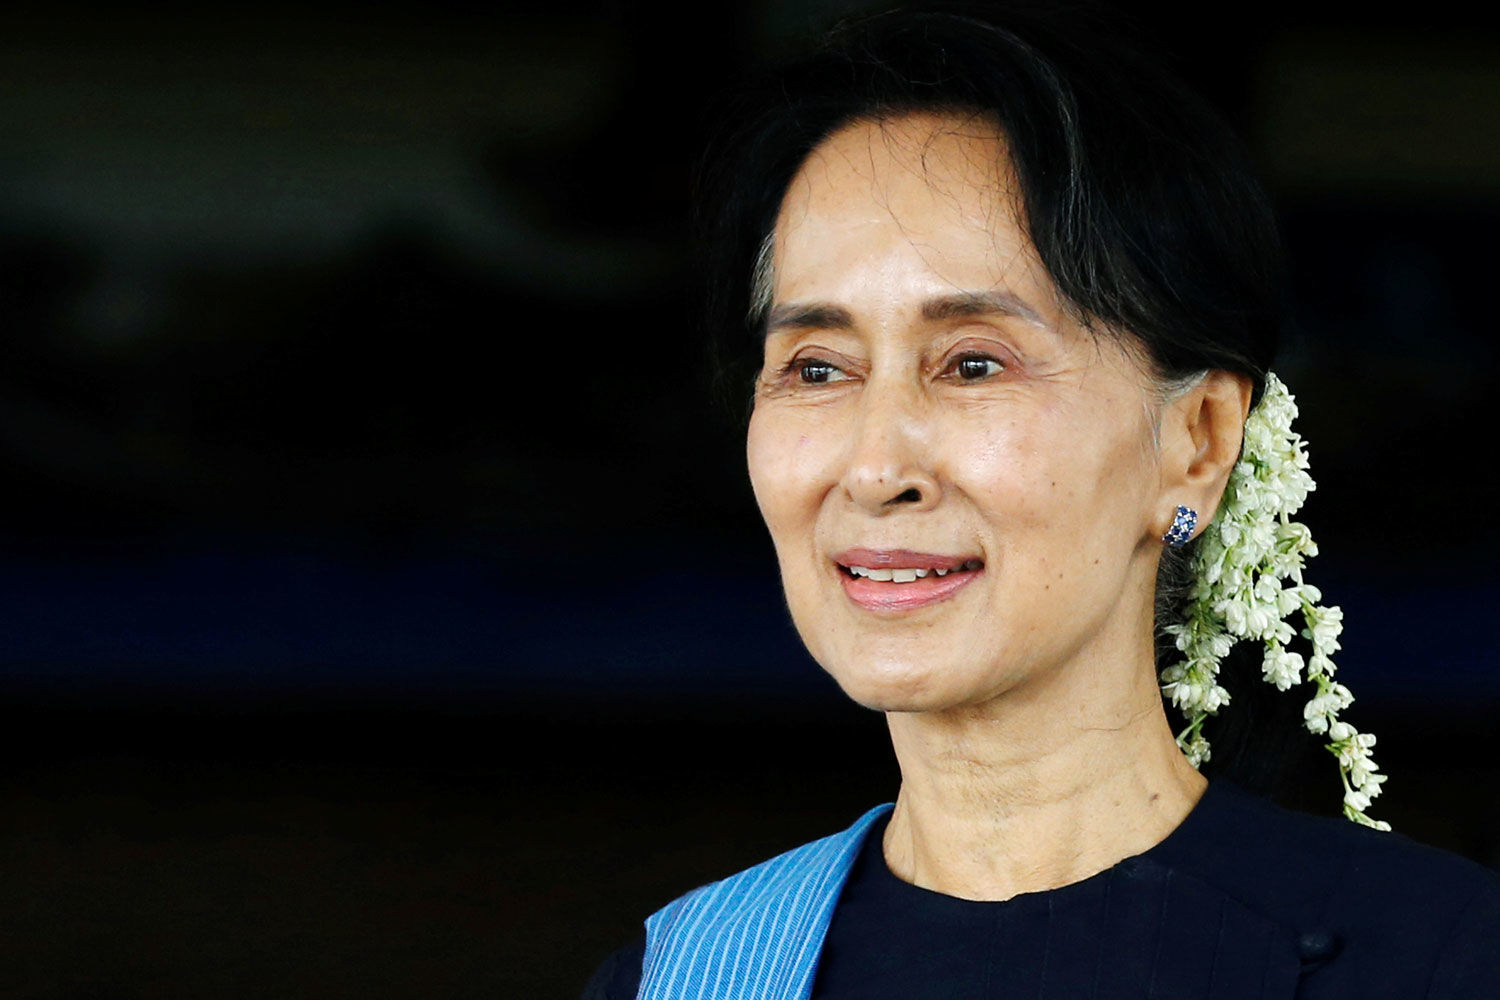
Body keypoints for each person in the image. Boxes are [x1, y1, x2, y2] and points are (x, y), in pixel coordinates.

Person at [583, 7, 1500, 998]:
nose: (876, 466)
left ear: (1196, 443)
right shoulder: (685, 973)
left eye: (974, 363)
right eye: (816, 368)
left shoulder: (1438, 958)